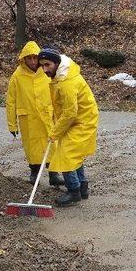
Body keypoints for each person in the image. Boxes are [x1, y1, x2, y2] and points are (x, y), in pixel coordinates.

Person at [38, 47, 99, 207]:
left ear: (57, 63)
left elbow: (70, 113)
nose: (44, 69)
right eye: (42, 65)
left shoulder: (66, 82)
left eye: (47, 65)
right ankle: (82, 186)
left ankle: (74, 191)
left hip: (82, 121)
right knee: (73, 154)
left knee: (65, 155)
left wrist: (55, 132)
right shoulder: (61, 75)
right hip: (77, 120)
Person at [6, 41, 65, 186]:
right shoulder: (17, 76)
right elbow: (11, 101)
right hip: (29, 118)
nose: (32, 61)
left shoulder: (47, 72)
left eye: (34, 58)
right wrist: (12, 125)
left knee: (52, 144)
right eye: (29, 58)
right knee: (32, 147)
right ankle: (34, 172)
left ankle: (54, 174)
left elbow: (58, 93)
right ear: (23, 59)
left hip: (47, 115)